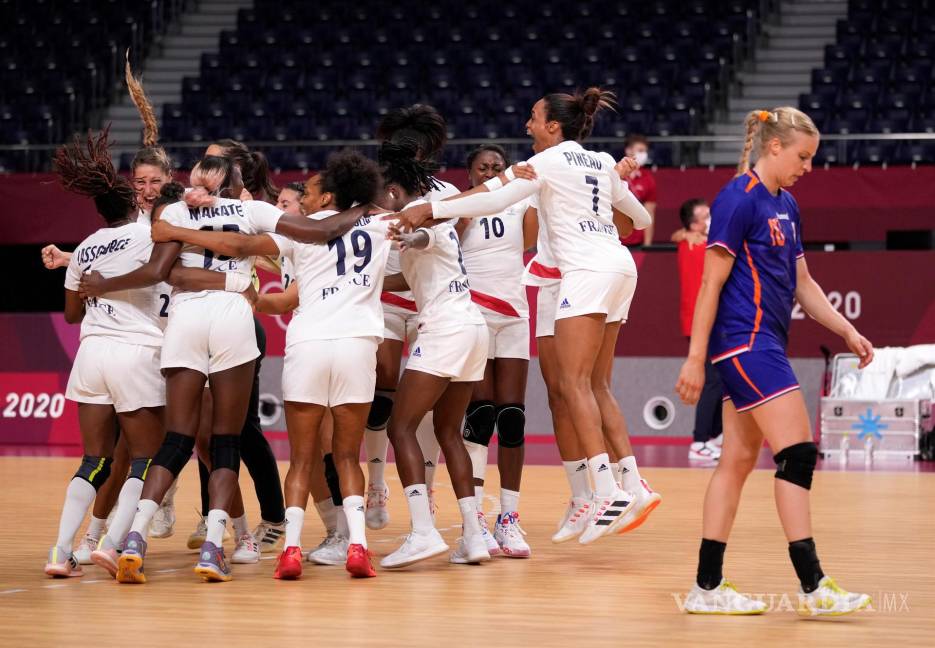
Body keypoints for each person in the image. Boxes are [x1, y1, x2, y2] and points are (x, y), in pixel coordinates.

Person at [79, 156, 373, 583]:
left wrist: (104, 282)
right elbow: (321, 230)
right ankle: (215, 547)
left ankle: (135, 537)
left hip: (186, 321)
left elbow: (160, 272)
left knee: (177, 439)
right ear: (236, 185)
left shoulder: (175, 212)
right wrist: (364, 204)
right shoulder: (251, 210)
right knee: (225, 441)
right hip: (233, 318)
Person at [393, 87, 660, 545]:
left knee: (573, 385)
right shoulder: (599, 160)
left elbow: (491, 201)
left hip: (585, 273)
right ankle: (631, 485)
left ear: (553, 126)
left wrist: (428, 209)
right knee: (595, 385)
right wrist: (604, 194)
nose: (528, 125)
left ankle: (603, 490)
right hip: (619, 267)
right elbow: (634, 219)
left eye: (534, 118)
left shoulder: (551, 162)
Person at [675, 107, 874, 616]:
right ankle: (814, 586)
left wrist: (847, 330)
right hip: (746, 344)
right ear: (775, 147)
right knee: (798, 453)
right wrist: (696, 360)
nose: (808, 166)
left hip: (763, 343)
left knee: (736, 463)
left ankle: (706, 587)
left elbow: (804, 285)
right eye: (803, 156)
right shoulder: (736, 200)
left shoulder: (787, 204)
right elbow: (710, 285)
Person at [43, 130, 165, 578]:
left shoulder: (87, 247)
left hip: (91, 355)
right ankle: (112, 544)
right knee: (144, 459)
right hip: (137, 353)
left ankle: (60, 552)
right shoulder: (150, 235)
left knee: (94, 460)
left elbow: (72, 314)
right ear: (134, 203)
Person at [377, 139, 493, 568]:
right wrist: (371, 287)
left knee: (400, 427)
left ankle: (423, 532)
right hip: (471, 327)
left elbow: (423, 238)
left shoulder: (425, 217)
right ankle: (474, 537)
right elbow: (414, 279)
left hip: (446, 329)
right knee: (448, 433)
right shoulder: (432, 210)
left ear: (392, 191)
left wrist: (406, 232)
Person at [366, 104, 460, 530]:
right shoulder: (375, 189)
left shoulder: (444, 194)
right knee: (381, 398)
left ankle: (428, 489)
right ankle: (375, 486)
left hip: (428, 305)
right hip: (383, 302)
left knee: (424, 408)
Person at [455, 144, 537, 558]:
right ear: (470, 173)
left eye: (497, 166)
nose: (490, 171)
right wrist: (469, 206)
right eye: (483, 167)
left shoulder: (518, 203)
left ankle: (509, 517)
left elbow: (532, 241)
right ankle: (475, 521)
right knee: (480, 415)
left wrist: (535, 188)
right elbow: (449, 241)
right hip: (475, 314)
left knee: (513, 419)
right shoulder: (462, 202)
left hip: (514, 315)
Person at [673, 199, 724, 462]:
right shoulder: (694, 244)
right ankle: (700, 440)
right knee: (711, 381)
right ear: (693, 225)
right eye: (705, 216)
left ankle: (714, 436)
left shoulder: (694, 240)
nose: (711, 219)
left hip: (709, 321)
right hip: (699, 322)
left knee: (719, 379)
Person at [618, 134, 656, 248]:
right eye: (640, 150)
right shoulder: (615, 172)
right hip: (614, 238)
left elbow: (650, 213)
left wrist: (647, 244)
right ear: (628, 150)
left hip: (637, 241)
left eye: (645, 151)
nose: (643, 154)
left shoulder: (648, 179)